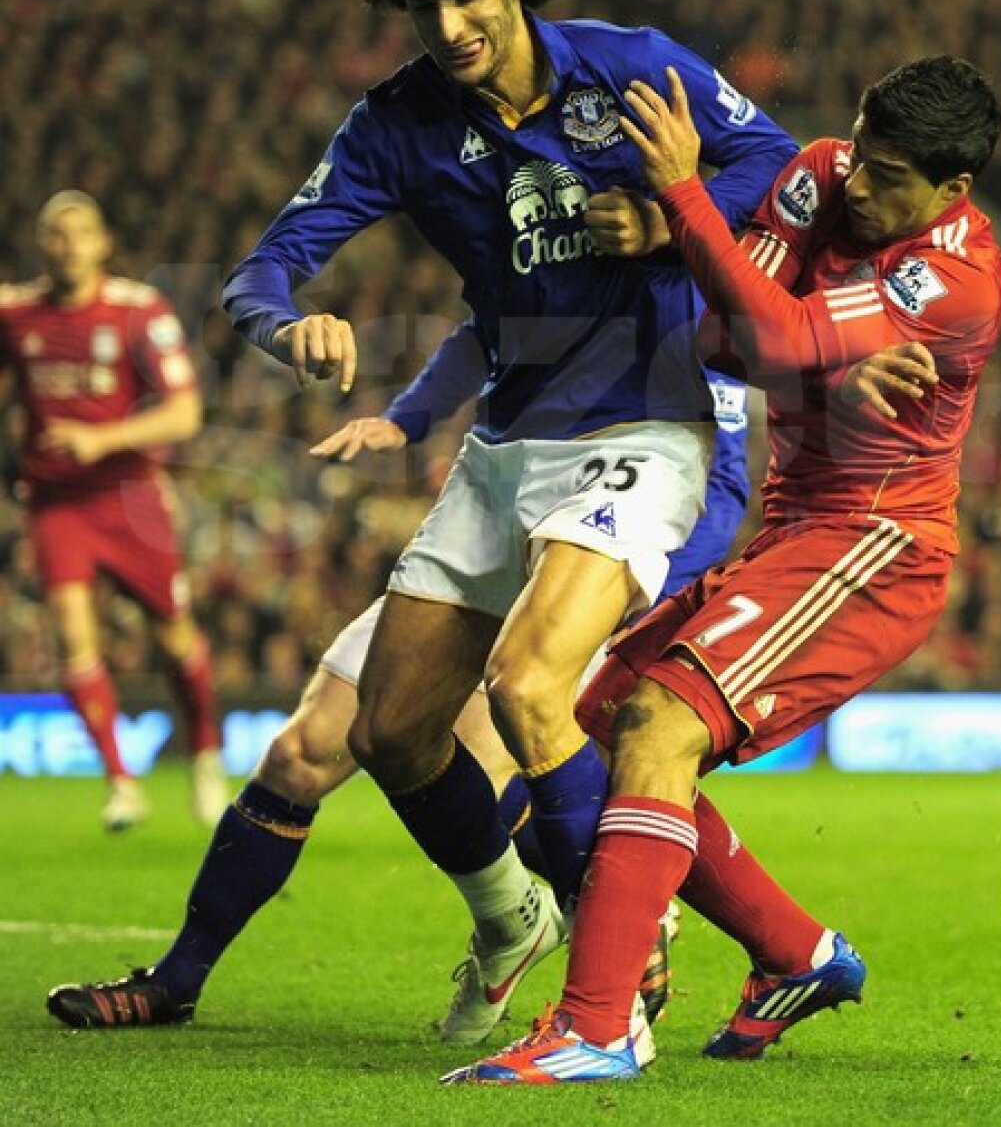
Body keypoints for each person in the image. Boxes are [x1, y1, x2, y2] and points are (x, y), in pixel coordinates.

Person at [214, 0, 800, 1047]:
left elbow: (780, 165)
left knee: (533, 688)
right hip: (508, 443)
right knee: (387, 731)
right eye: (423, 1)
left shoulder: (632, 71)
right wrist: (290, 324)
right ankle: (512, 911)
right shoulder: (396, 126)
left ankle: (617, 972)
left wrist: (670, 211)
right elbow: (260, 268)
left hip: (644, 424)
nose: (447, 21)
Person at [444, 53, 1001, 1084]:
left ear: (951, 191)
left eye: (891, 179)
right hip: (793, 524)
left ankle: (597, 1023)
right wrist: (819, 355)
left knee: (662, 720)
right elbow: (725, 333)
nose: (860, 187)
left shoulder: (958, 276)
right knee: (609, 722)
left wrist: (688, 197)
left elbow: (780, 323)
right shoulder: (823, 172)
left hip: (876, 542)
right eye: (864, 157)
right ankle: (797, 953)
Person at [44, 323, 754, 1038]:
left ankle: (630, 920)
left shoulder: (673, 299)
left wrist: (616, 597)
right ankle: (178, 980)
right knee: (302, 751)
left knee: (484, 755)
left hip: (582, 569)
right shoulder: (538, 261)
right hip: (481, 555)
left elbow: (713, 482)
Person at [0, 191, 226, 830]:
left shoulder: (137, 311)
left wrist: (101, 438)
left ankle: (206, 755)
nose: (68, 244)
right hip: (56, 504)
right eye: (55, 233)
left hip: (129, 496)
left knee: (176, 638)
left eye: (80, 232)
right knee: (74, 637)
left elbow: (184, 413)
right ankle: (121, 781)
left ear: (104, 243)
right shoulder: (15, 313)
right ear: (41, 243)